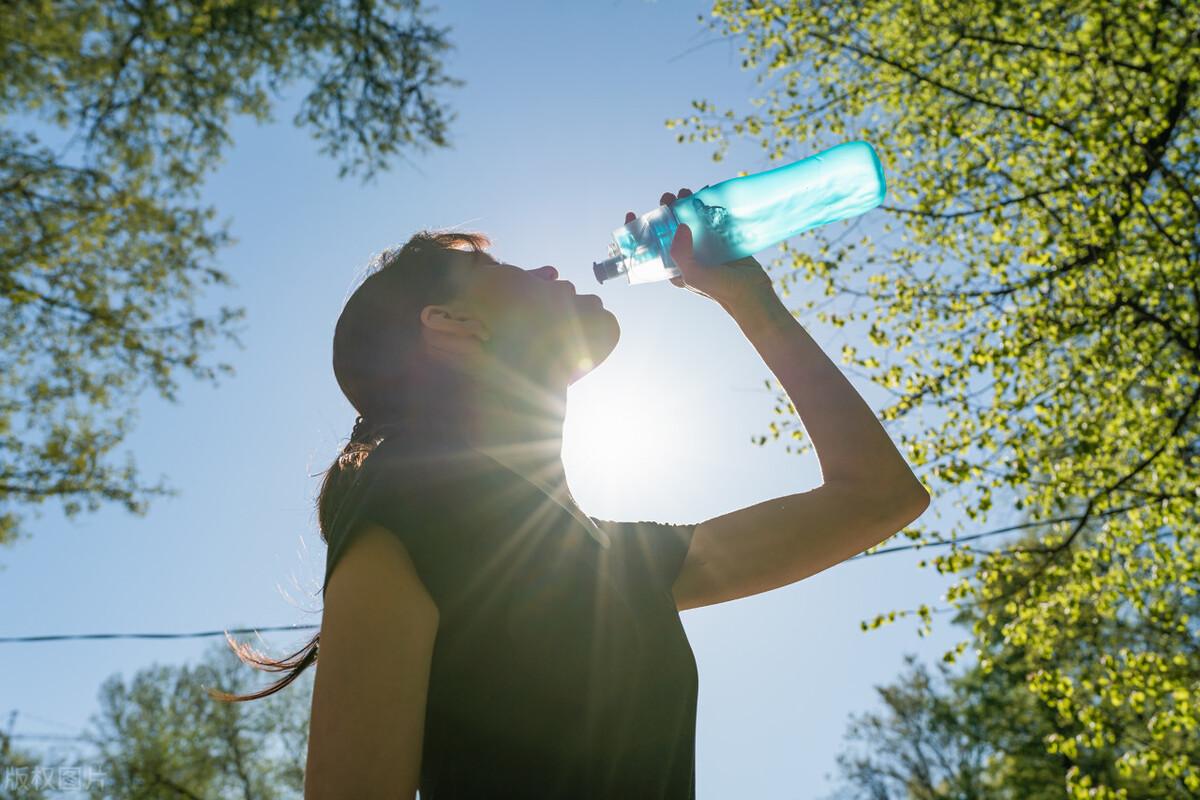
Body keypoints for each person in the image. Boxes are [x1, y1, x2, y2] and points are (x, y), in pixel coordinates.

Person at [212, 190, 931, 799]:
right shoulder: (401, 509)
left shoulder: (624, 559)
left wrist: (750, 300)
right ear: (451, 325)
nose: (550, 267)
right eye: (496, 269)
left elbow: (877, 498)